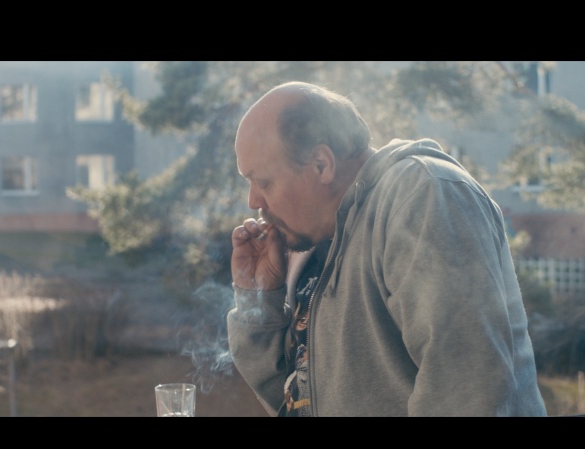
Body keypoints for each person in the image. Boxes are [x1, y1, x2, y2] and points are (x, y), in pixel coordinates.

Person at [227, 81, 548, 417]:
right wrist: (258, 300)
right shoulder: (315, 243)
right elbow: (294, 402)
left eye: (263, 182)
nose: (253, 201)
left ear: (322, 164)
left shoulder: (421, 195)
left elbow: (465, 389)